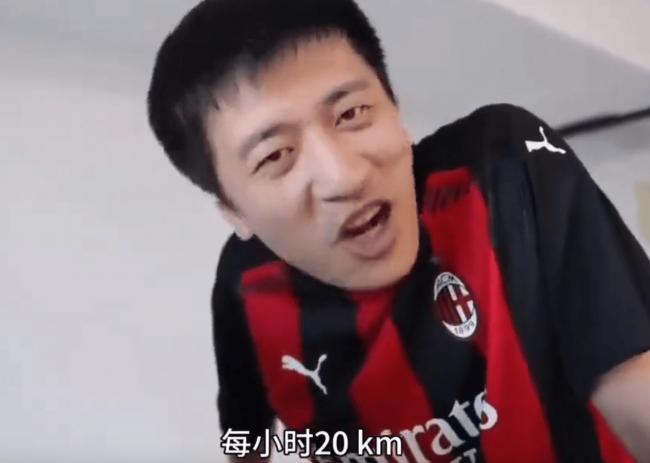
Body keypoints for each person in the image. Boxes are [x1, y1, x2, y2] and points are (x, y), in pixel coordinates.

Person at [146, 0, 650, 461]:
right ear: (235, 213)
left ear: (396, 111)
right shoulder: (244, 288)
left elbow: (633, 383)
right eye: (276, 155)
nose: (344, 177)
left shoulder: (502, 169)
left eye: (352, 113)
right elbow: (246, 441)